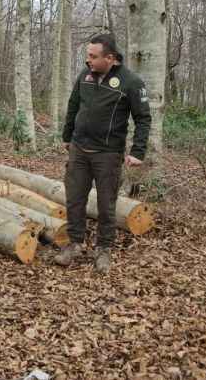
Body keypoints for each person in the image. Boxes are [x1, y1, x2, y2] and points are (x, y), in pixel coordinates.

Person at [55, 33, 152, 273]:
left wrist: (138, 151)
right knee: (74, 199)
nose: (88, 60)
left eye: (93, 56)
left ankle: (104, 249)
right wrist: (67, 137)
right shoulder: (85, 76)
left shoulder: (131, 82)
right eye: (88, 55)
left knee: (106, 204)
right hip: (79, 149)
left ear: (110, 58)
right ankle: (74, 244)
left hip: (108, 154)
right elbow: (73, 105)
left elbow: (143, 118)